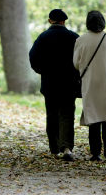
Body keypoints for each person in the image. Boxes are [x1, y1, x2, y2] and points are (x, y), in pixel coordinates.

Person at [29, 9, 80, 161]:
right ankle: (66, 148)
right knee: (67, 115)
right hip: (69, 84)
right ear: (64, 21)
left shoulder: (42, 37)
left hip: (50, 84)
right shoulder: (74, 38)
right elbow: (81, 60)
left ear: (50, 21)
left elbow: (33, 58)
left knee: (52, 115)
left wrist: (43, 71)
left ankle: (54, 147)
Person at [73, 11, 106, 161]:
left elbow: (76, 63)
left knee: (93, 116)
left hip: (90, 81)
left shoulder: (81, 40)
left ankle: (95, 152)